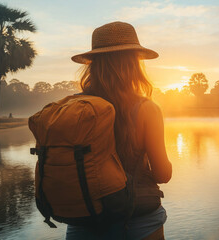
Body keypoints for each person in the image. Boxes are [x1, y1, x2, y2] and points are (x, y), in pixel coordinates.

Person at [65, 21, 172, 240]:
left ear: (93, 65)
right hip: (137, 219)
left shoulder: (73, 108)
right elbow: (163, 174)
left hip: (84, 217)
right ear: (134, 63)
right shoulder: (146, 109)